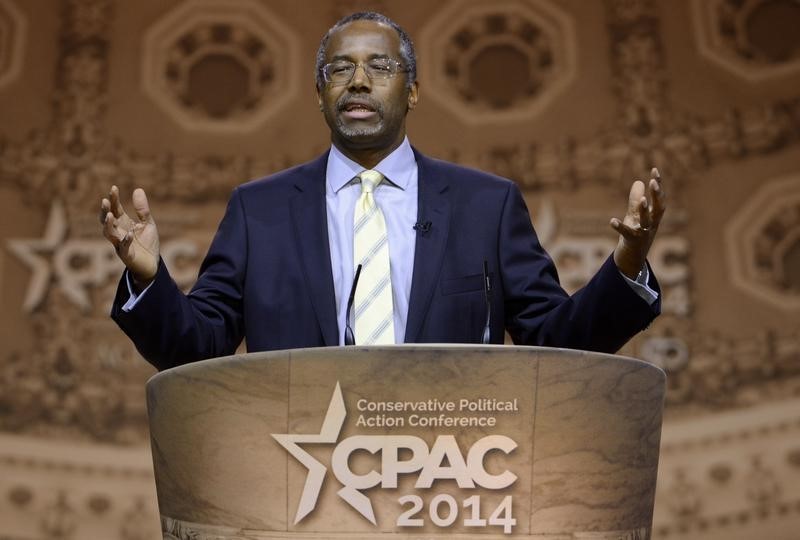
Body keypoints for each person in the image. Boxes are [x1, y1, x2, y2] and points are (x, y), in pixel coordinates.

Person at [100, 12, 665, 372]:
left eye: (381, 66)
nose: (360, 81)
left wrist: (628, 264)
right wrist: (149, 279)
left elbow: (556, 343)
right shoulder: (260, 209)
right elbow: (198, 348)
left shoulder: (484, 206)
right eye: (339, 69)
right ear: (320, 94)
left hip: (454, 481)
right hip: (300, 477)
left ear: (413, 90)